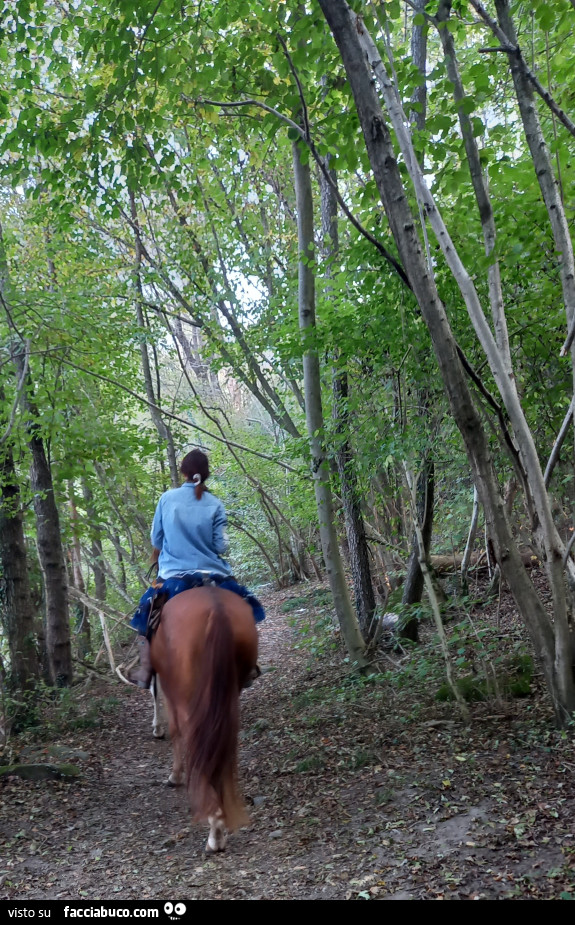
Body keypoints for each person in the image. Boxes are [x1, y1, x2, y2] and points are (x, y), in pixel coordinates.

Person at [129, 449, 263, 688]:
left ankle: (146, 669)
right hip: (214, 575)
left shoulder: (167, 499)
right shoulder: (215, 503)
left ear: (184, 472)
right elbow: (221, 546)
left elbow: (156, 540)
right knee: (245, 608)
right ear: (207, 474)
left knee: (146, 616)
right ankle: (249, 663)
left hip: (173, 576)